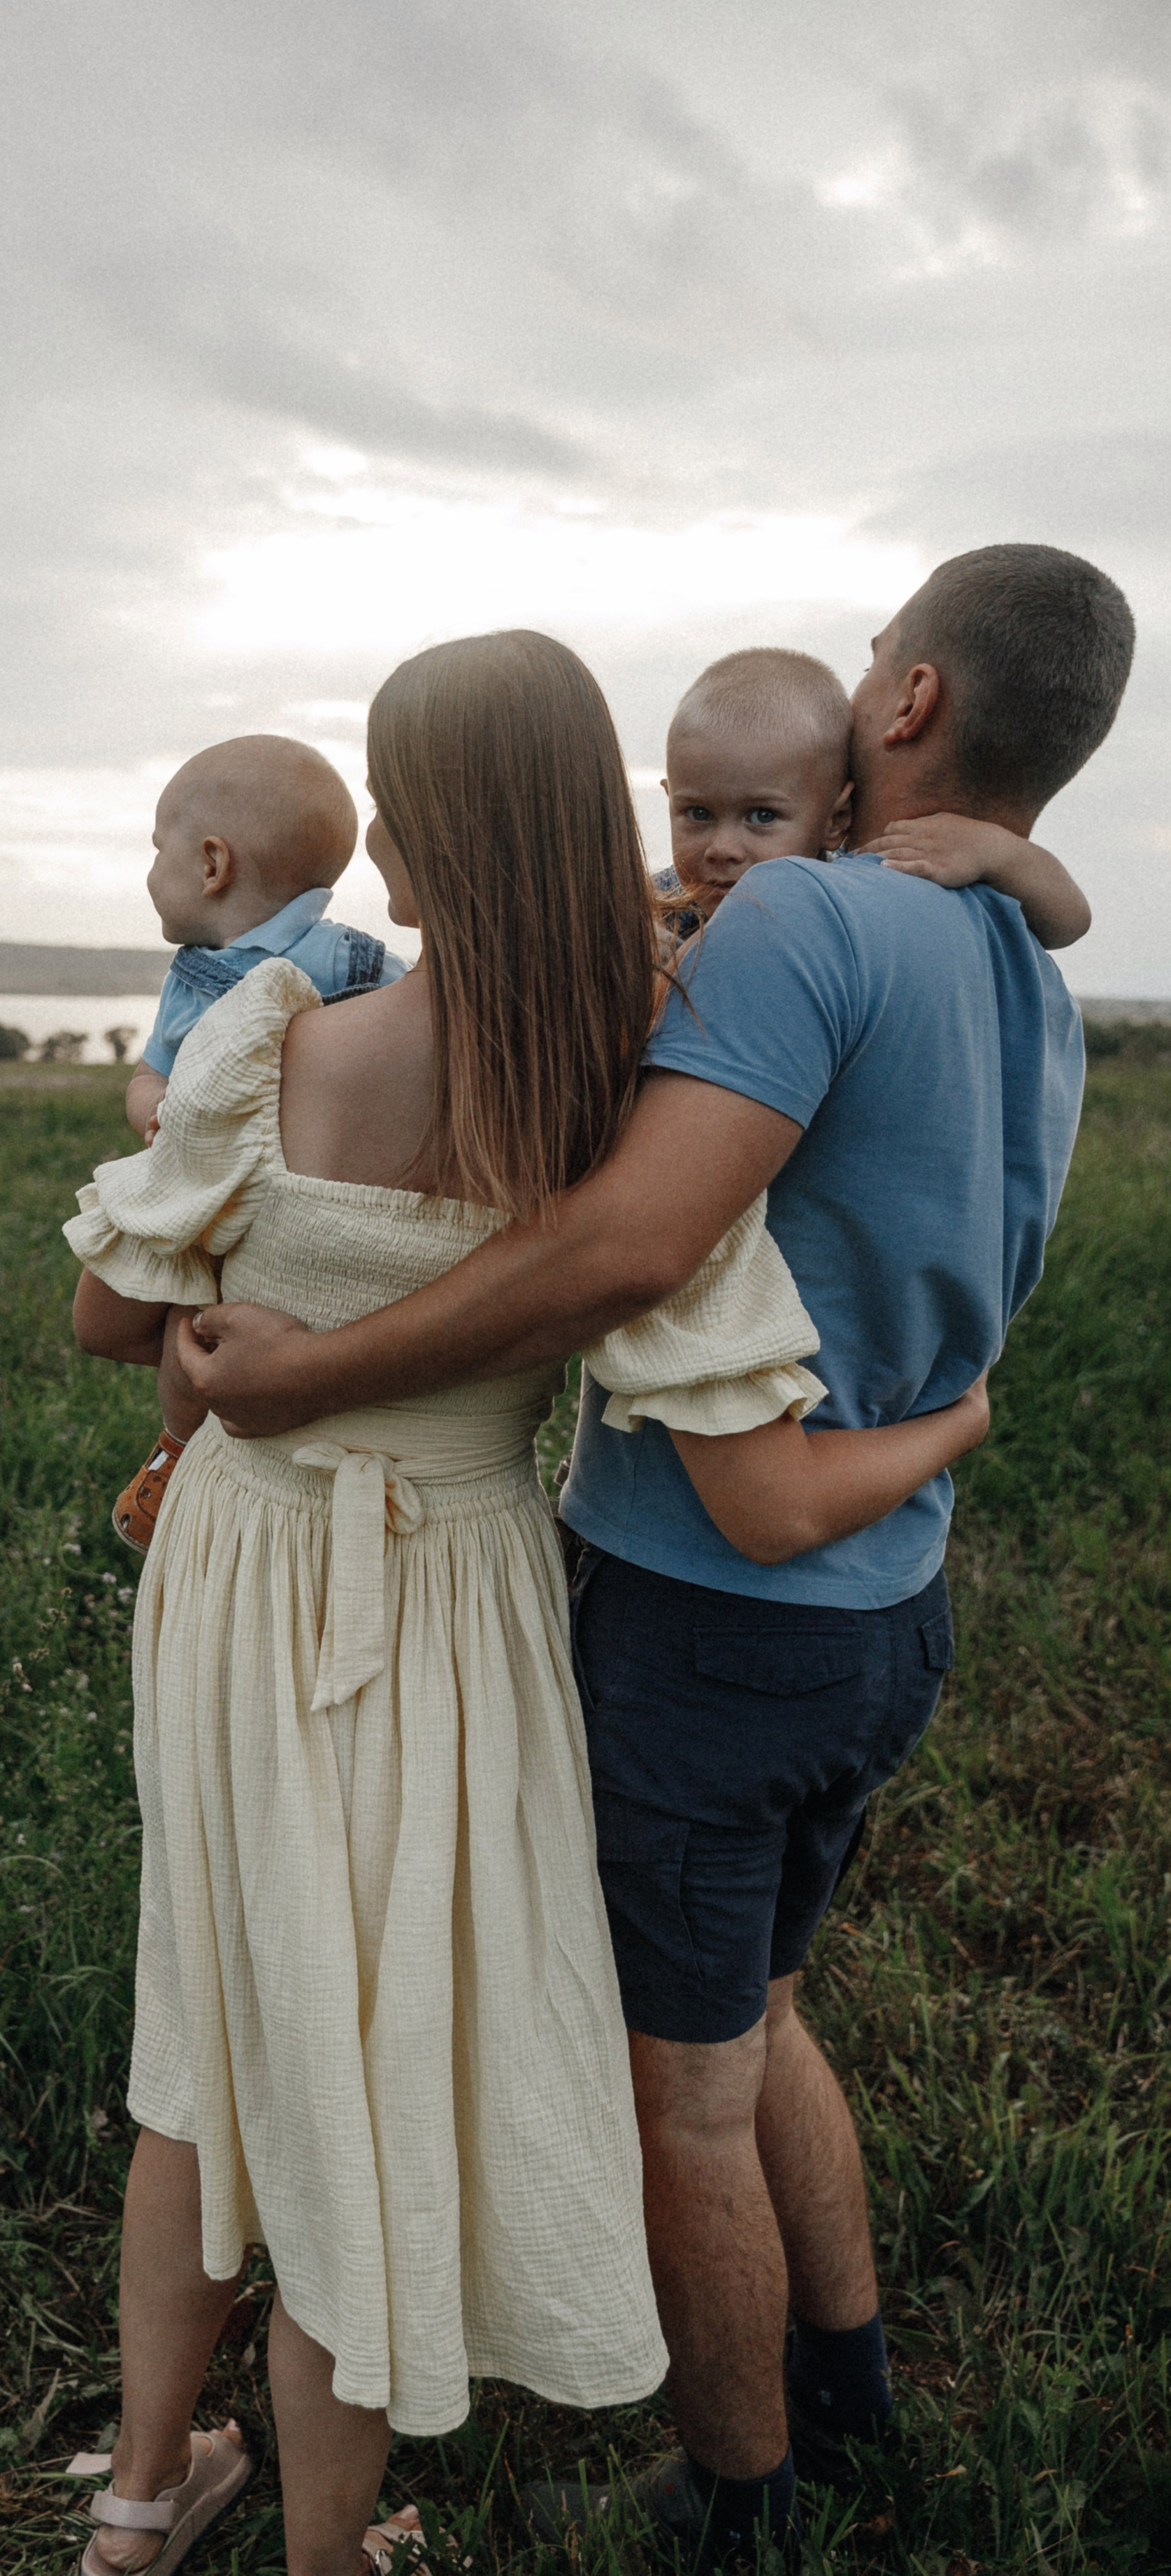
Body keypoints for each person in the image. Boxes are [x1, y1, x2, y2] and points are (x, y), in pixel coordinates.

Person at [171, 547, 1133, 2566]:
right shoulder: (1020, 962)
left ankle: (741, 2501)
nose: (708, 836)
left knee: (679, 2095)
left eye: (877, 661)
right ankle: (852, 2389)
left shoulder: (801, 923)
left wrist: (309, 1372)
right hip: (890, 1609)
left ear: (912, 703)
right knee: (765, 2016)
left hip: (718, 1612)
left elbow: (624, 1250)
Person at [113, 734, 406, 1553]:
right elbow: (149, 1078)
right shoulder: (340, 960)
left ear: (211, 864)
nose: (149, 873)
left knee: (196, 1323)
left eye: (155, 851)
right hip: (262, 1187)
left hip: (282, 1199)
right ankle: (180, 1452)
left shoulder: (344, 960)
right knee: (198, 1316)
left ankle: (174, 1449)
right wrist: (162, 1110)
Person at [654, 644, 1090, 951]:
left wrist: (993, 851)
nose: (722, 849)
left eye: (763, 816)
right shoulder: (660, 903)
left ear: (835, 820)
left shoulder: (859, 888)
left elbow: (1069, 922)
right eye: (697, 813)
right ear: (669, 799)